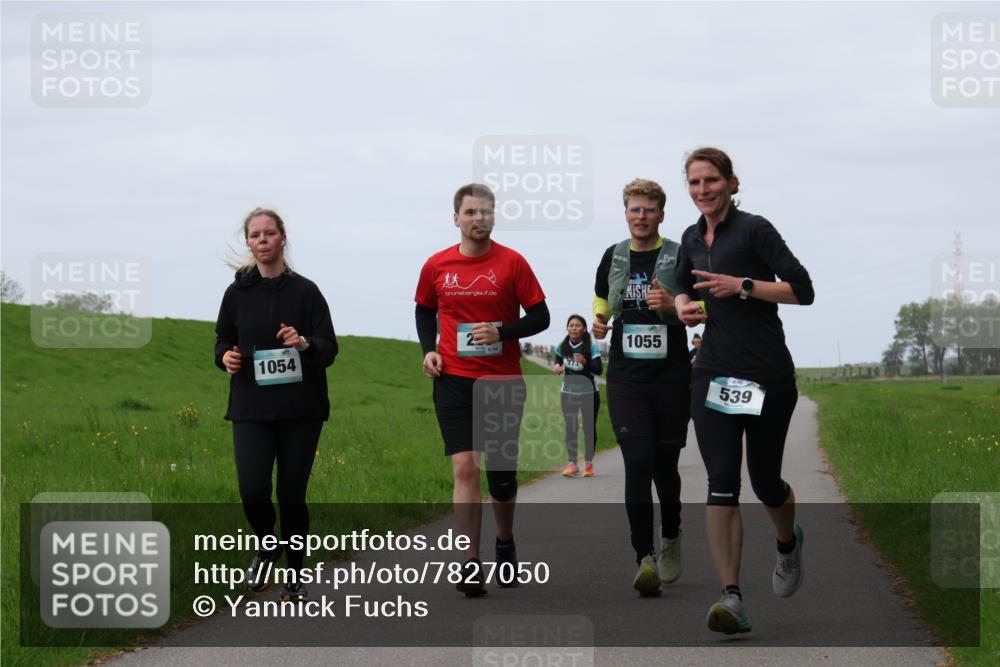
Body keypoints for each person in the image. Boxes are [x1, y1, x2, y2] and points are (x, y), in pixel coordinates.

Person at [674, 147, 814, 634]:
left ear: (732, 183)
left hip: (766, 375)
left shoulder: (756, 229)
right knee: (721, 482)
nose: (702, 190)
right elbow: (680, 288)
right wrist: (682, 306)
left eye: (711, 180)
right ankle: (730, 597)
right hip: (713, 374)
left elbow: (803, 289)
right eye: (694, 182)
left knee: (766, 482)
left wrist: (745, 285)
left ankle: (786, 543)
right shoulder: (690, 238)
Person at [414, 183, 550, 596]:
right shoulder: (437, 265)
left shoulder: (513, 263)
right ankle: (469, 562)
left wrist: (504, 331)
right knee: (464, 467)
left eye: (485, 212)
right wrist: (428, 351)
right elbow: (424, 310)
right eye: (470, 212)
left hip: (502, 380)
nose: (478, 219)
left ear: (493, 217)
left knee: (502, 478)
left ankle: (504, 543)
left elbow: (541, 316)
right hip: (453, 377)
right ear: (456, 218)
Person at [215, 207, 338, 602]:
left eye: (270, 233)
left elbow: (329, 348)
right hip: (251, 408)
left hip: (300, 409)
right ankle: (267, 544)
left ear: (283, 238)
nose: (263, 240)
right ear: (249, 243)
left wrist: (304, 344)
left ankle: (296, 576)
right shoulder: (236, 294)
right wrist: (225, 359)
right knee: (252, 489)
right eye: (255, 235)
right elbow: (221, 341)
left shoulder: (306, 292)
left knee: (290, 494)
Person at [592, 178, 691, 596]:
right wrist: (599, 320)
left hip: (670, 374)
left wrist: (674, 307)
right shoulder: (613, 256)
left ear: (661, 214)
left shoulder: (680, 256)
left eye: (649, 209)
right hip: (627, 377)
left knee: (665, 466)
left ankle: (671, 537)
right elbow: (601, 296)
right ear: (626, 212)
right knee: (637, 461)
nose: (641, 216)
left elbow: (702, 307)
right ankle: (643, 557)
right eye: (634, 209)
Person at [552, 314, 603, 478]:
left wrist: (585, 362)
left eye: (577, 325)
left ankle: (588, 463)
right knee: (571, 427)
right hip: (568, 392)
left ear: (584, 328)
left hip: (589, 393)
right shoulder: (562, 345)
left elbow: (599, 369)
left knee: (588, 428)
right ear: (567, 328)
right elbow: (557, 360)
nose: (574, 328)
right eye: (571, 325)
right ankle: (572, 463)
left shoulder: (591, 345)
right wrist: (557, 367)